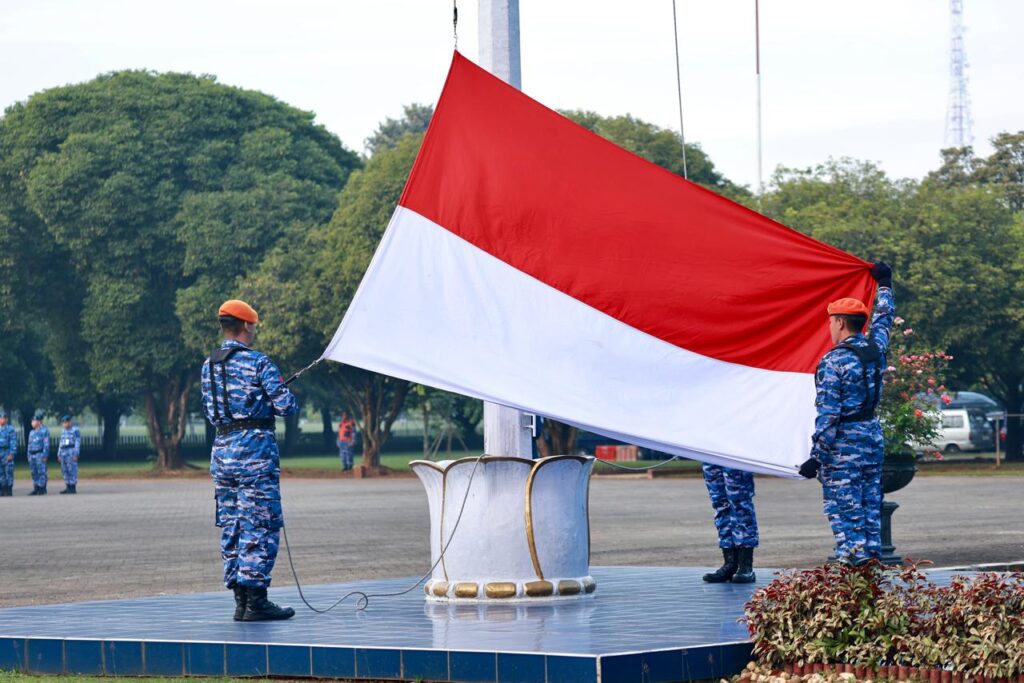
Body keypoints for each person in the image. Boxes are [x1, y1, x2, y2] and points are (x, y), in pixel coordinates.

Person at [202, 299, 299, 621]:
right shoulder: (259, 363)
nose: (254, 330)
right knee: (260, 523)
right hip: (254, 453)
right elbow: (286, 407)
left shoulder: (209, 365)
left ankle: (240, 601)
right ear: (246, 325)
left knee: (232, 523)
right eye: (253, 325)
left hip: (222, 451)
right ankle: (256, 600)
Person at [799, 262, 894, 566]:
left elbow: (828, 415)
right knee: (869, 510)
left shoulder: (834, 362)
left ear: (839, 322)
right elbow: (883, 320)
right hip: (871, 439)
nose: (829, 328)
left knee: (846, 514)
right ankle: (872, 573)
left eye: (831, 323)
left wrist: (817, 457)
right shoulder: (875, 350)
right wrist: (886, 285)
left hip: (843, 448)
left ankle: (853, 579)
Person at [700, 463, 757, 583]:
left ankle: (745, 566)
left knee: (740, 505)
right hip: (710, 452)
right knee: (720, 504)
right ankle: (730, 565)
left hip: (733, 452)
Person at [27, 410, 50, 496]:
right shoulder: (31, 432)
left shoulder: (44, 431)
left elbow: (46, 444)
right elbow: (29, 445)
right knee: (34, 472)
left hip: (40, 454)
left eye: (34, 421)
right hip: (32, 454)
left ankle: (42, 488)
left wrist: (45, 455)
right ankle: (36, 488)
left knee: (41, 471)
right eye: (32, 421)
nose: (32, 422)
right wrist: (28, 455)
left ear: (39, 421)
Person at [57, 415, 82, 495]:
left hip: (71, 451)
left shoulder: (75, 430)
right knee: (65, 470)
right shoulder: (63, 431)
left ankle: (72, 487)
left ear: (70, 422)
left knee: (72, 470)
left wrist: (76, 454)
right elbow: (61, 443)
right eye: (64, 423)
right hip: (63, 452)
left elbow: (77, 443)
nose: (65, 424)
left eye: (66, 422)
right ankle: (68, 486)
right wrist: (59, 454)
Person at [0, 410, 16, 496]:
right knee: (1, 472)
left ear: (6, 419)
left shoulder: (10, 429)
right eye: (0, 418)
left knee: (8, 471)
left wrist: (11, 453)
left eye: (3, 418)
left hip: (7, 452)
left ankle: (9, 489)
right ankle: (2, 489)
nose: (2, 420)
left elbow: (13, 442)